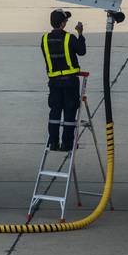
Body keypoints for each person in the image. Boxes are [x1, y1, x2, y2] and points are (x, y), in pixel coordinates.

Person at [41, 9, 87, 152]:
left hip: (54, 82)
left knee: (55, 111)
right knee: (69, 112)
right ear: (62, 24)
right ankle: (67, 143)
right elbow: (82, 51)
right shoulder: (69, 38)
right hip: (69, 82)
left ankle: (53, 142)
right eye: (66, 21)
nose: (66, 23)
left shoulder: (44, 39)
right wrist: (80, 34)